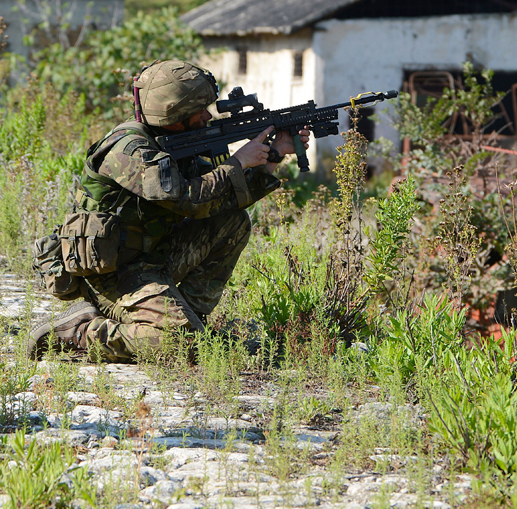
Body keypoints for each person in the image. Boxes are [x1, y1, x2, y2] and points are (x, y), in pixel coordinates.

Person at [28, 60, 310, 362]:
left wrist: (274, 155)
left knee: (232, 221)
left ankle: (189, 320)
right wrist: (238, 161)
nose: (206, 116)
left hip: (153, 257)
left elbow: (215, 199)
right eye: (198, 110)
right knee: (178, 346)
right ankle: (79, 332)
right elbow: (187, 199)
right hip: (112, 275)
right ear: (173, 113)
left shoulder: (175, 144)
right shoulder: (130, 151)